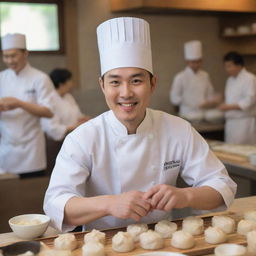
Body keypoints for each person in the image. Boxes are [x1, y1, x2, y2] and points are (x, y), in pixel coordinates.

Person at [44, 17, 236, 232]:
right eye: (115, 82)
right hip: (101, 243)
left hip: (164, 242)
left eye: (136, 81)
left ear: (152, 83)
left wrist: (185, 195)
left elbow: (222, 185)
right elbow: (55, 204)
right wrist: (109, 204)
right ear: (102, 85)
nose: (126, 93)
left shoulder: (178, 129)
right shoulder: (83, 138)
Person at [0, 33, 54, 177]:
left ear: (25, 53)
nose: (10, 60)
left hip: (31, 151)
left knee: (30, 195)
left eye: (13, 55)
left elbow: (48, 112)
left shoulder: (40, 78)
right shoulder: (2, 78)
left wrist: (19, 103)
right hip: (6, 150)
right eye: (6, 56)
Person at [170, 40, 222, 122]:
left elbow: (209, 93)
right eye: (193, 62)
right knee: (195, 117)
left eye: (198, 61)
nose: (196, 64)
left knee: (217, 114)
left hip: (204, 111)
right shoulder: (180, 77)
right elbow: (174, 98)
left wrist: (212, 101)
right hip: (187, 112)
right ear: (187, 62)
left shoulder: (205, 75)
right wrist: (193, 103)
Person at [41, 68, 90, 141]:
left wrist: (83, 119)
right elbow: (52, 128)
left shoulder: (68, 97)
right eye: (70, 81)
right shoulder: (49, 100)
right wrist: (73, 127)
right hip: (56, 141)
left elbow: (77, 115)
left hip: (72, 136)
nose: (72, 84)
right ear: (61, 84)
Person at [219, 51, 256, 144]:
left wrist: (228, 107)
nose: (227, 69)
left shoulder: (250, 78)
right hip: (230, 122)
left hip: (244, 122)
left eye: (229, 66)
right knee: (230, 151)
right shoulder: (230, 80)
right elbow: (231, 98)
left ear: (239, 65)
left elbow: (249, 101)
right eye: (226, 66)